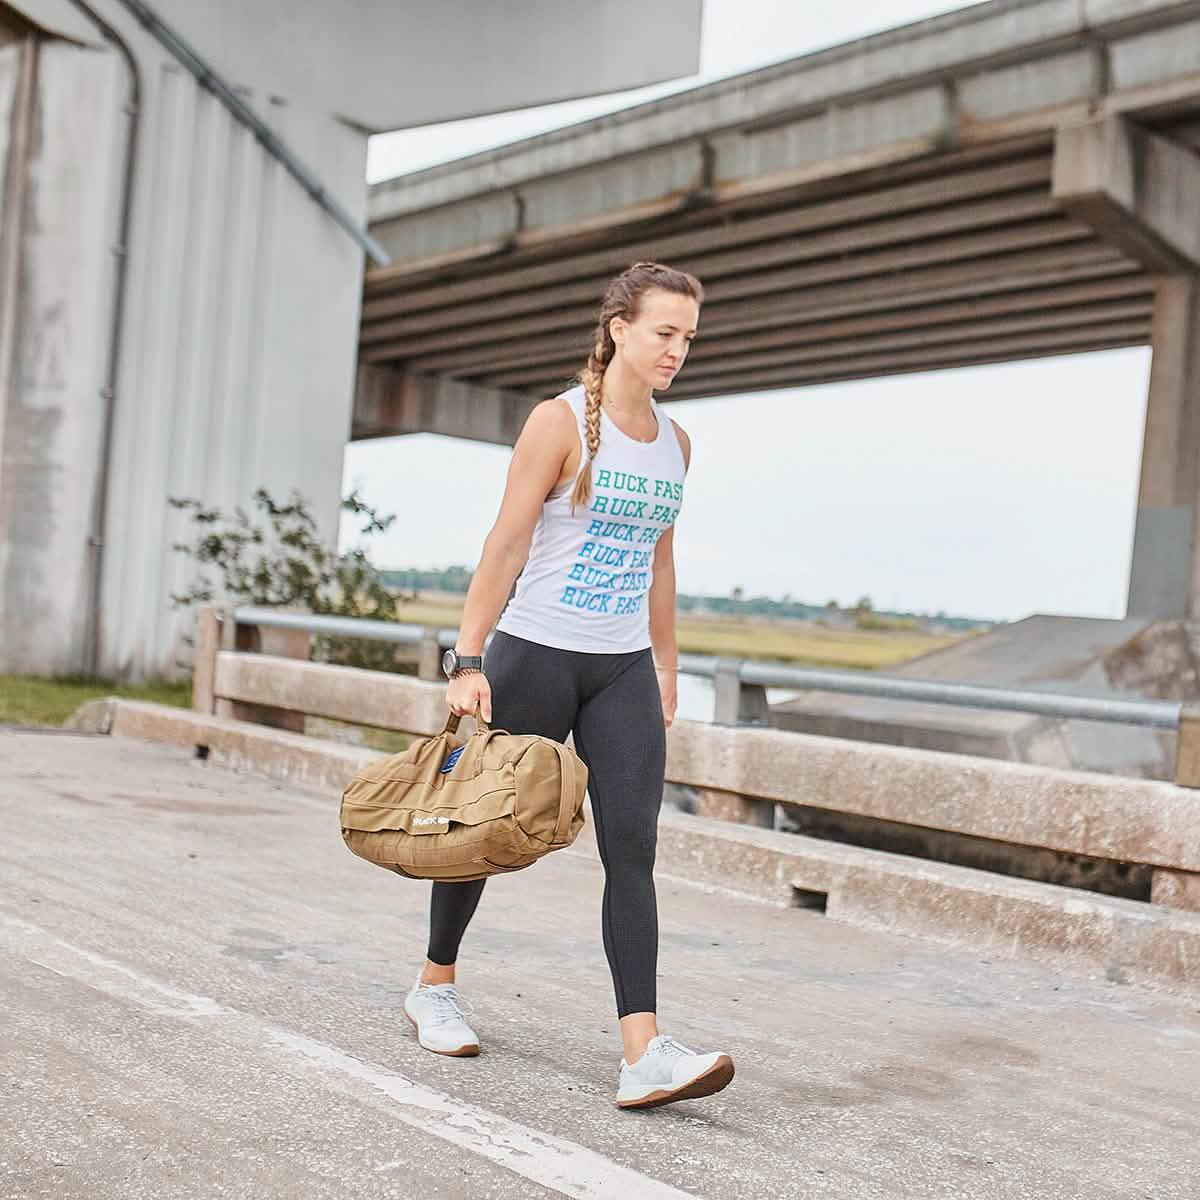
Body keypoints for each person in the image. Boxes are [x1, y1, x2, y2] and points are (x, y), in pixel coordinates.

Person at [401, 261, 734, 1111]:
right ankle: (435, 984)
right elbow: (506, 543)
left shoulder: (676, 442)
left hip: (620, 668)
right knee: (478, 829)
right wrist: (467, 661)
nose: (677, 351)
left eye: (688, 337)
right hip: (536, 654)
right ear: (619, 328)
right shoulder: (559, 424)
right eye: (665, 332)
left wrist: (665, 667)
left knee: (633, 850)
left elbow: (660, 563)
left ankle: (643, 1051)